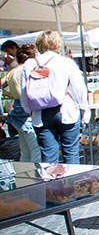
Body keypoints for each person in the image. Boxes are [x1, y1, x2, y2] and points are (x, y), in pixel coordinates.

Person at [20, 31, 89, 164]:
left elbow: (25, 93)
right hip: (66, 110)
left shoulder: (29, 64)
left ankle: (51, 183)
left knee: (48, 155)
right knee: (71, 153)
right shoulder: (66, 62)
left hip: (40, 114)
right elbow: (79, 89)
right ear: (58, 44)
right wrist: (83, 109)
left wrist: (29, 111)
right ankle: (71, 183)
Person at [3, 44, 41, 162]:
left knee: (25, 150)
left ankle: (24, 178)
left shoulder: (11, 72)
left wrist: (10, 94)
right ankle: (37, 178)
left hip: (17, 113)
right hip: (27, 114)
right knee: (35, 150)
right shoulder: (26, 71)